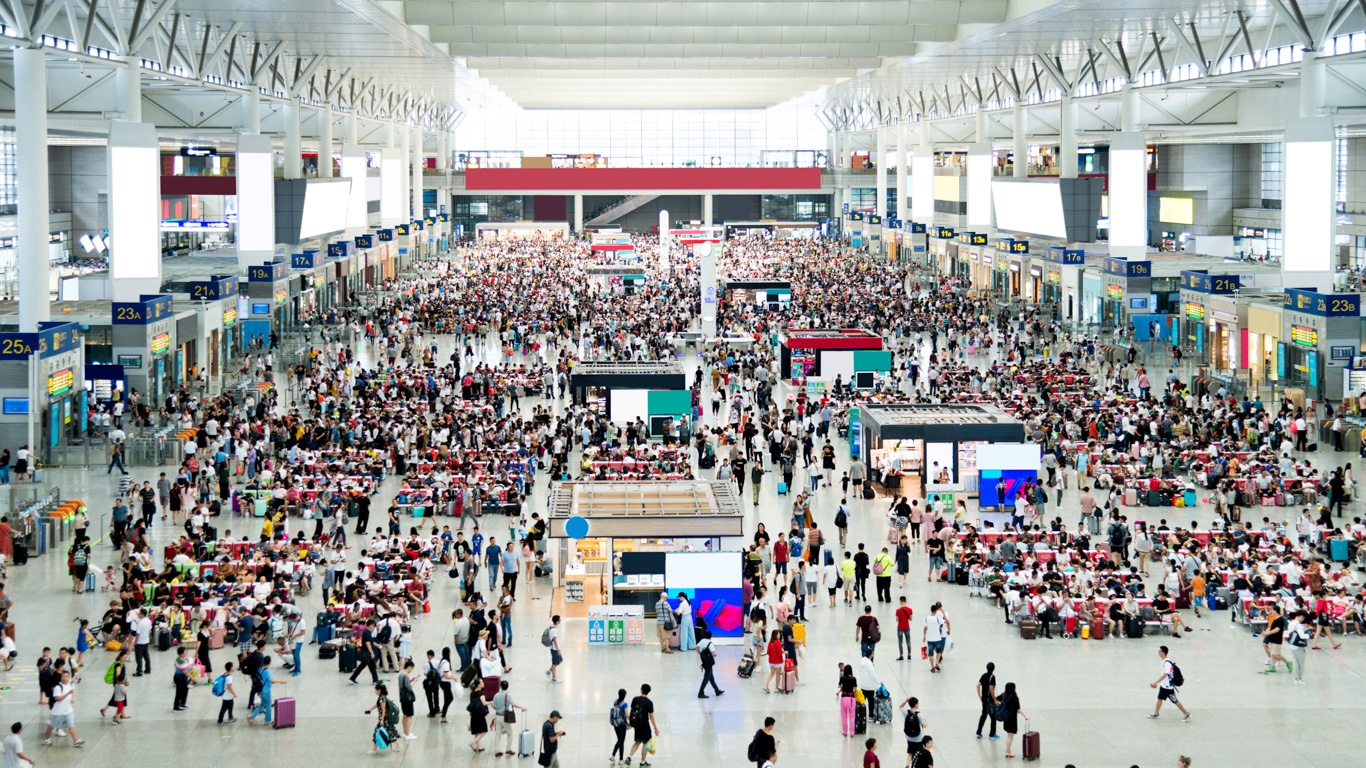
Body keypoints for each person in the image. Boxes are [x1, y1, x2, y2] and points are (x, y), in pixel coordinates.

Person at [1148, 645, 1191, 721]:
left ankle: (1186, 714)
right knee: (1159, 699)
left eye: (1160, 651)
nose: (1158, 652)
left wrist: (1155, 683)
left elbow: (1165, 675)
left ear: (1163, 652)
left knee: (1175, 701)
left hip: (1168, 687)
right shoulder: (1165, 661)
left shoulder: (1167, 663)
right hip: (1164, 686)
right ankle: (1156, 713)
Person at [42, 669, 84, 747]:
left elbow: (72, 692)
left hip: (68, 711)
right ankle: (46, 739)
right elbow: (58, 699)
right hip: (58, 712)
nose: (64, 678)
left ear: (68, 677)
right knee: (52, 725)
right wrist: (68, 693)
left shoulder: (70, 685)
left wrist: (72, 698)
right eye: (63, 676)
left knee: (71, 725)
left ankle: (76, 741)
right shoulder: (58, 687)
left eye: (66, 676)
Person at [491, 680, 526, 756]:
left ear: (500, 686)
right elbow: (513, 705)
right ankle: (508, 749)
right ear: (507, 687)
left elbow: (493, 705)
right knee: (510, 733)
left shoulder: (496, 695)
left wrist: (497, 709)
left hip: (497, 716)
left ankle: (497, 750)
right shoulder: (508, 695)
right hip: (505, 717)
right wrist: (522, 708)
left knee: (497, 734)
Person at [626, 684, 659, 766]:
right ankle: (642, 762)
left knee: (637, 741)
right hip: (645, 725)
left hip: (636, 724)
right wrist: (655, 728)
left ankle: (629, 756)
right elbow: (651, 717)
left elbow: (633, 711)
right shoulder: (649, 703)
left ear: (641, 690)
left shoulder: (635, 699)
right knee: (645, 744)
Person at [246, 656, 285, 725]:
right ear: (270, 662)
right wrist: (281, 680)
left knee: (262, 704)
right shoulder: (267, 671)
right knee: (269, 705)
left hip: (260, 690)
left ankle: (251, 716)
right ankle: (268, 720)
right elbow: (271, 681)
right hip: (266, 691)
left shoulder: (260, 669)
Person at [999, 682, 1024, 758]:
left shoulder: (1004, 695)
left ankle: (1008, 751)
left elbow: (996, 699)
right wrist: (1025, 716)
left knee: (1008, 736)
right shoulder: (1014, 698)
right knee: (1010, 736)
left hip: (1006, 718)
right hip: (1012, 719)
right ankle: (1007, 751)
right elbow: (1018, 709)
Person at [1285, 610, 1311, 685]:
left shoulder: (1291, 623)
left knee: (1295, 662)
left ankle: (1296, 679)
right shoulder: (1298, 625)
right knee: (1301, 663)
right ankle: (1300, 678)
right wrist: (1309, 635)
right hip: (1299, 646)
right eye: (1303, 618)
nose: (1303, 620)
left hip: (1292, 644)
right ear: (1301, 616)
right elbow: (1302, 636)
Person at [696, 630, 724, 698]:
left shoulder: (702, 641)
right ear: (711, 636)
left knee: (711, 677)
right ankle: (700, 692)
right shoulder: (710, 644)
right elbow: (713, 653)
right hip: (709, 662)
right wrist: (715, 655)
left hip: (704, 661)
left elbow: (696, 647)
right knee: (706, 678)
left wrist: (700, 654)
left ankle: (717, 690)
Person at [922, 603, 949, 673]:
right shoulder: (938, 619)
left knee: (931, 654)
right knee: (939, 652)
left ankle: (932, 667)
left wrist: (924, 636)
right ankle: (937, 663)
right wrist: (943, 612)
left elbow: (925, 628)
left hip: (930, 639)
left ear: (931, 610)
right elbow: (946, 621)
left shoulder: (926, 618)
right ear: (936, 611)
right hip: (937, 638)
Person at [899, 696, 926, 762]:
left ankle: (907, 765)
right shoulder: (919, 714)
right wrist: (926, 721)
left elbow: (901, 706)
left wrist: (906, 701)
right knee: (920, 754)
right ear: (916, 704)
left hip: (909, 737)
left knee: (910, 753)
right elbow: (924, 725)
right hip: (918, 738)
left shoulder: (906, 713)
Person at [976, 661, 998, 739]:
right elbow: (991, 689)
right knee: (993, 716)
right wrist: (995, 699)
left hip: (984, 699)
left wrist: (980, 696)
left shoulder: (984, 675)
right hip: (990, 700)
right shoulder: (992, 677)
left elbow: (978, 685)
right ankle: (992, 734)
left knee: (984, 715)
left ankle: (979, 732)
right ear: (993, 669)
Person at [466, 682, 489, 753]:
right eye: (482, 682)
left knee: (477, 731)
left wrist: (470, 713)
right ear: (478, 684)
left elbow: (471, 703)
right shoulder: (481, 693)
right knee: (484, 731)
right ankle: (473, 742)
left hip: (473, 713)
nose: (483, 683)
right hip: (480, 714)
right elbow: (484, 703)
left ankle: (478, 746)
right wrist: (492, 702)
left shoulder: (472, 693)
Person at [610, 688, 630, 765]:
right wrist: (631, 721)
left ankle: (612, 755)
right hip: (622, 725)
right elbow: (627, 714)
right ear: (625, 695)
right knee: (621, 741)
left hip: (615, 724)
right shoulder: (624, 704)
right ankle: (621, 759)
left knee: (619, 740)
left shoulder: (615, 702)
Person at [546, 614, 563, 683]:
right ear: (557, 622)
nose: (560, 621)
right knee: (554, 663)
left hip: (555, 648)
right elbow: (555, 640)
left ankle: (549, 671)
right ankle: (554, 678)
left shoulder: (552, 627)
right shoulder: (554, 630)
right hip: (554, 649)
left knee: (560, 660)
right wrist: (558, 649)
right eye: (559, 620)